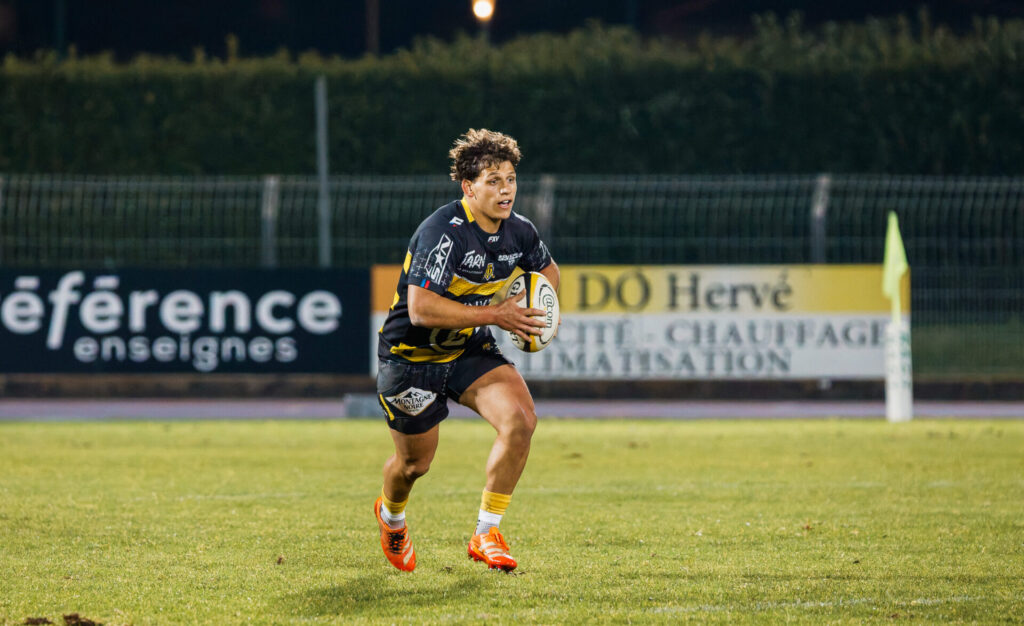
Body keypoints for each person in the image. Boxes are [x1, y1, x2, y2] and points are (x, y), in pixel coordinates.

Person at [373, 128, 559, 573]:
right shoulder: (443, 232)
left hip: (467, 350)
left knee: (520, 421)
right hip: (411, 358)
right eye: (493, 181)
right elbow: (421, 309)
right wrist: (498, 314)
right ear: (468, 187)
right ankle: (391, 517)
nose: (505, 190)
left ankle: (486, 532)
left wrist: (540, 308)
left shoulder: (520, 231)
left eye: (510, 179)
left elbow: (548, 270)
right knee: (415, 465)